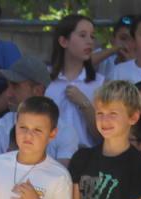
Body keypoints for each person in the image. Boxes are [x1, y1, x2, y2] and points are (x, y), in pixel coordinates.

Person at [0, 57, 75, 164]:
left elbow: (62, 178)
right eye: (8, 86)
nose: (8, 94)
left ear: (38, 90)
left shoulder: (65, 132)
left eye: (15, 86)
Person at [47, 14, 104, 155]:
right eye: (83, 35)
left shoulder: (101, 83)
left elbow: (102, 135)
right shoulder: (44, 79)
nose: (90, 42)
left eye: (92, 36)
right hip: (49, 158)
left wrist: (84, 104)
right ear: (63, 41)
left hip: (87, 160)